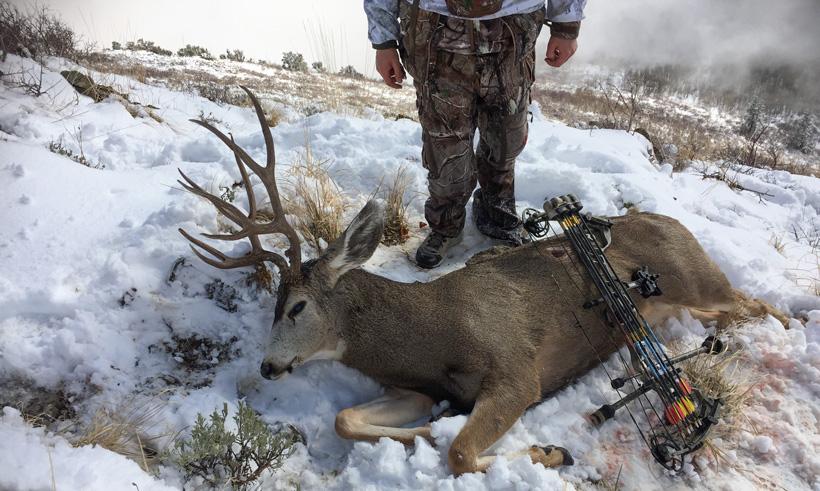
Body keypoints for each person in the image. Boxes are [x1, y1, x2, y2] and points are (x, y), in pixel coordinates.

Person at [364, 0, 586, 268]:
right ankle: (446, 226)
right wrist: (384, 40)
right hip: (436, 33)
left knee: (506, 140)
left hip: (513, 30)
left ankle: (496, 211)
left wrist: (566, 25)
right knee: (446, 149)